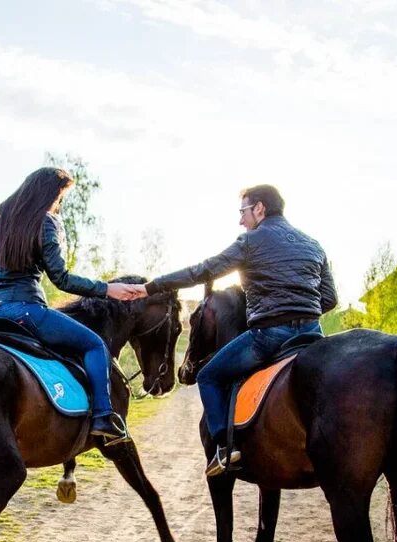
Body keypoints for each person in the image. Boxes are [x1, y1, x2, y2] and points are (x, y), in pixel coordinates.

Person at [126, 184, 337, 475]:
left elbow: (200, 271)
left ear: (259, 208)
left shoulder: (250, 242)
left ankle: (225, 450)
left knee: (208, 375)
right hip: (313, 336)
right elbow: (330, 298)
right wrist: (301, 314)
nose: (241, 220)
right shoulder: (314, 245)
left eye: (243, 211)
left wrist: (151, 287)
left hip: (269, 337)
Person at [0, 166, 138, 444]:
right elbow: (61, 278)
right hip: (25, 311)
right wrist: (107, 289)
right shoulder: (44, 222)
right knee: (94, 345)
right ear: (48, 194)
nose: (58, 204)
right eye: (59, 198)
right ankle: (102, 416)